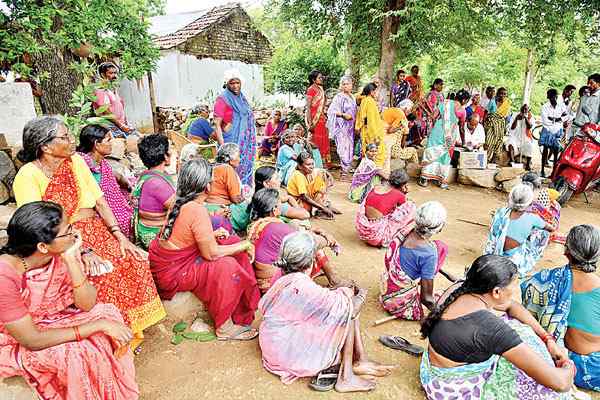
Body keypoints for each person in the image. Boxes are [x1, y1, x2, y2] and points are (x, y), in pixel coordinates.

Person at [12, 116, 166, 351]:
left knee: (132, 259)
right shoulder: (27, 176)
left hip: (94, 229)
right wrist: (81, 250)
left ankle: (131, 329)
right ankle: (110, 338)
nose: (72, 140)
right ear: (45, 146)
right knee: (102, 272)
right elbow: (37, 226)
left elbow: (101, 202)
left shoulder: (76, 162)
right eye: (65, 137)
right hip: (59, 241)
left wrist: (121, 237)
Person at [0, 202, 139, 399]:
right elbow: (31, 339)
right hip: (20, 338)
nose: (75, 234)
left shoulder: (57, 256)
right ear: (42, 246)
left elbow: (87, 304)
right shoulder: (5, 276)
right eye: (68, 231)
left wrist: (73, 260)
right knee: (77, 353)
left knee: (108, 313)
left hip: (55, 320)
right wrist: (98, 325)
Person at [419, 255, 574, 399]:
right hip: (455, 389)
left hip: (435, 372)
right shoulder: (490, 328)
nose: (514, 290)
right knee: (549, 392)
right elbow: (560, 383)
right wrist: (568, 366)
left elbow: (512, 306)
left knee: (522, 330)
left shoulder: (462, 289)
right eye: (514, 285)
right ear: (497, 291)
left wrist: (547, 339)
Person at [258, 231, 394, 392]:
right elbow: (348, 309)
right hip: (287, 354)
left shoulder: (283, 275)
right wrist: (360, 293)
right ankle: (346, 377)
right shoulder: (303, 286)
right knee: (347, 308)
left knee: (344, 303)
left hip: (273, 341)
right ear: (311, 261)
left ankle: (360, 360)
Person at [148, 158, 260, 341]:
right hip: (175, 272)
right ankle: (225, 327)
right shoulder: (195, 209)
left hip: (174, 263)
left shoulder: (182, 202)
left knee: (230, 241)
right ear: (207, 186)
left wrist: (214, 235)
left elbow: (183, 236)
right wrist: (245, 244)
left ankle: (241, 306)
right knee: (227, 266)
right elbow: (211, 254)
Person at [521, 224, 600, 392]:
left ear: (567, 252)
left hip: (558, 360)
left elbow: (524, 294)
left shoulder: (544, 280)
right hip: (593, 369)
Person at [247, 188, 343, 292]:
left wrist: (316, 230)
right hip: (272, 284)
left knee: (299, 231)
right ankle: (334, 281)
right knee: (312, 249)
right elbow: (310, 242)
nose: (282, 205)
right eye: (280, 203)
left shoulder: (257, 225)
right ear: (274, 210)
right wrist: (328, 239)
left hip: (261, 279)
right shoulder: (277, 227)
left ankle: (331, 278)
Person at [378, 201, 453, 321]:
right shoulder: (429, 253)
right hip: (399, 301)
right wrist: (444, 316)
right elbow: (426, 299)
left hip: (390, 283)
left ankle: (425, 274)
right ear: (439, 228)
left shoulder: (407, 228)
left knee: (441, 246)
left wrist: (443, 272)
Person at [485, 184, 555, 278]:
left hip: (495, 252)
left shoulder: (501, 212)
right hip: (515, 259)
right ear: (530, 203)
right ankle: (528, 259)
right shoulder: (533, 218)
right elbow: (551, 229)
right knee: (543, 233)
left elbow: (494, 230)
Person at [77, 124, 133, 238]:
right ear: (96, 144)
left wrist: (128, 186)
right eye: (108, 140)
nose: (111, 143)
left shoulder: (103, 164)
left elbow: (116, 177)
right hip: (99, 219)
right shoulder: (82, 166)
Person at [228, 166, 311, 232]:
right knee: (301, 224)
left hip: (230, 220)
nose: (280, 180)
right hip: (231, 227)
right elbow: (305, 214)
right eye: (277, 178)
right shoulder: (272, 203)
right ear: (266, 184)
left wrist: (288, 198)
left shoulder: (257, 195)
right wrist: (291, 200)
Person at [213, 69, 257, 186]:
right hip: (230, 139)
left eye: (237, 83)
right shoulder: (222, 99)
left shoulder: (242, 99)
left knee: (244, 165)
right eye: (232, 83)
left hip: (245, 141)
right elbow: (217, 125)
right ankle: (232, 191)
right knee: (231, 165)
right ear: (226, 84)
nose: (235, 86)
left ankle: (243, 190)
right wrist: (223, 146)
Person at [132, 134, 176, 249]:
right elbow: (181, 208)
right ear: (165, 156)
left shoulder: (147, 176)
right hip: (156, 237)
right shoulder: (156, 183)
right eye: (169, 150)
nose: (171, 153)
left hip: (151, 230)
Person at [420, 89, 470, 189]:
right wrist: (464, 142)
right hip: (450, 135)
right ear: (464, 100)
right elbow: (461, 128)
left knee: (431, 152)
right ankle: (441, 181)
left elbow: (434, 117)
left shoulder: (444, 103)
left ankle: (424, 179)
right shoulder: (462, 111)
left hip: (437, 131)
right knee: (445, 156)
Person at [355, 169, 416, 248]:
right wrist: (404, 194)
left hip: (364, 233)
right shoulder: (399, 195)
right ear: (402, 185)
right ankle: (402, 236)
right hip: (378, 238)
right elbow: (403, 208)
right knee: (411, 206)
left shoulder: (376, 188)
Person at [287, 152, 339, 220]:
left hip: (303, 198)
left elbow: (319, 171)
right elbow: (304, 197)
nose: (311, 167)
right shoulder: (298, 176)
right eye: (308, 164)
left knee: (320, 180)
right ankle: (322, 209)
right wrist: (323, 208)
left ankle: (323, 205)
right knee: (306, 214)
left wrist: (326, 174)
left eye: (312, 164)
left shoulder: (305, 172)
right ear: (300, 166)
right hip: (296, 202)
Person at [327, 76, 358, 180]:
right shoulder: (338, 97)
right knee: (342, 149)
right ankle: (344, 173)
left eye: (347, 84)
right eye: (343, 84)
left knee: (349, 149)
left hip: (350, 128)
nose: (345, 86)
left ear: (351, 85)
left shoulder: (353, 97)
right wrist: (343, 115)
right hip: (341, 127)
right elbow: (331, 111)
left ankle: (345, 172)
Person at [93, 62, 134, 138]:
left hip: (120, 125)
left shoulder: (112, 88)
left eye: (115, 73)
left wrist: (124, 123)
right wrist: (121, 125)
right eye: (111, 73)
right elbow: (105, 111)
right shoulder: (100, 90)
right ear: (103, 75)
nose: (114, 76)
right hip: (110, 127)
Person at [381, 101, 419, 169]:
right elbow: (402, 144)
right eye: (409, 110)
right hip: (396, 152)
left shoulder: (394, 116)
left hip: (387, 147)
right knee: (413, 151)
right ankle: (416, 169)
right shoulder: (404, 125)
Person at [356, 83, 386, 167]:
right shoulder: (368, 101)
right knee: (373, 151)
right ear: (371, 91)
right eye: (375, 91)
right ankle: (371, 169)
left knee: (371, 150)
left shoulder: (368, 100)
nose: (376, 93)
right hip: (370, 131)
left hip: (372, 130)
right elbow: (364, 117)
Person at [540, 89, 568, 177]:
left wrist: (557, 119)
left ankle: (553, 172)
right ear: (548, 97)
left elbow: (567, 115)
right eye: (551, 96)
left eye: (554, 96)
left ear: (556, 96)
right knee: (545, 150)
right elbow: (545, 120)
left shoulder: (561, 105)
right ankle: (542, 170)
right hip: (548, 129)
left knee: (556, 152)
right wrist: (557, 120)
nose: (553, 98)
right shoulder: (545, 106)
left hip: (557, 130)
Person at [205, 143, 243, 207]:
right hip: (220, 207)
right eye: (239, 156)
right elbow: (235, 199)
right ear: (231, 159)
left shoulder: (212, 166)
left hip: (208, 204)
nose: (240, 160)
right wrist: (247, 200)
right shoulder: (227, 169)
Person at [305, 70, 330, 165]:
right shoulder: (310, 90)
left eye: (321, 77)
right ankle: (315, 162)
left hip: (322, 120)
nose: (322, 79)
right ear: (313, 79)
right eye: (319, 77)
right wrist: (310, 123)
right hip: (314, 120)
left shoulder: (321, 89)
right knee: (315, 140)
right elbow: (308, 108)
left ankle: (324, 163)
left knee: (324, 140)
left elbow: (323, 106)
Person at [484, 87, 512, 163]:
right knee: (489, 142)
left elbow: (506, 118)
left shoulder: (507, 103)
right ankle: (486, 160)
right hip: (491, 125)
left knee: (498, 143)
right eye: (501, 93)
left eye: (505, 94)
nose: (502, 95)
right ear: (497, 94)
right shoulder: (492, 101)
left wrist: (505, 128)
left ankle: (493, 161)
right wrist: (484, 125)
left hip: (500, 126)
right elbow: (486, 113)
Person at [505, 104, 535, 170]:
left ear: (528, 110)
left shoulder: (530, 117)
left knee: (530, 145)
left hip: (525, 138)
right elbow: (512, 128)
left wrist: (525, 118)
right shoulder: (515, 115)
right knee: (510, 143)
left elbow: (530, 126)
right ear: (520, 109)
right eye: (523, 109)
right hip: (515, 137)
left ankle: (528, 165)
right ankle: (512, 162)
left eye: (526, 109)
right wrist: (516, 119)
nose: (524, 111)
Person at [572, 73, 600, 141]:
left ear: (599, 83)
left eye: (591, 83)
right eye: (588, 83)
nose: (588, 85)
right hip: (575, 131)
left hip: (588, 135)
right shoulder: (584, 96)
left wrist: (594, 135)